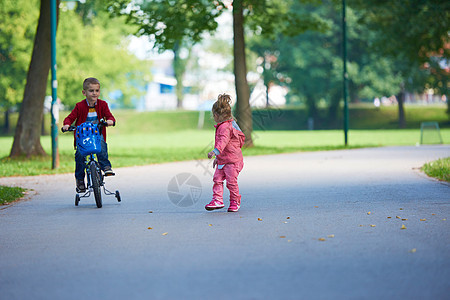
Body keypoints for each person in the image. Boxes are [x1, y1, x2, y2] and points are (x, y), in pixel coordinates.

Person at [62, 77, 116, 193]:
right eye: (91, 91)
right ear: (84, 92)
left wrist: (110, 121)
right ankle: (80, 180)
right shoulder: (79, 106)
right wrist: (67, 125)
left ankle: (105, 166)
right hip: (83, 136)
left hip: (96, 134)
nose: (94, 93)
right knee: (80, 156)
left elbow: (110, 116)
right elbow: (70, 118)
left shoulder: (103, 104)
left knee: (101, 144)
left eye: (97, 90)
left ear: (99, 92)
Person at [205, 94, 245, 212]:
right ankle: (217, 200)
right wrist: (218, 157)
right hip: (224, 160)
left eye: (213, 115)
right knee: (217, 179)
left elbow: (223, 141)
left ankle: (235, 201)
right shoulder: (225, 125)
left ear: (216, 115)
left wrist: (214, 152)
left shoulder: (225, 127)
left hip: (233, 161)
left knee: (231, 182)